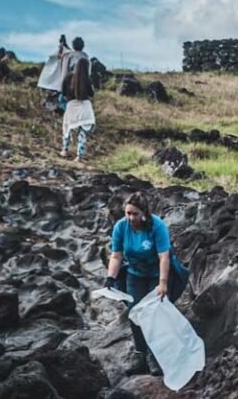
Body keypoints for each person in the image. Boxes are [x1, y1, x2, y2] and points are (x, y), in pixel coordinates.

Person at [105, 193, 171, 376]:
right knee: (135, 312)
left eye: (135, 214)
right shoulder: (121, 227)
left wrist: (162, 284)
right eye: (128, 213)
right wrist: (111, 277)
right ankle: (141, 352)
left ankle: (155, 355)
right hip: (135, 273)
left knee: (154, 312)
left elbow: (164, 256)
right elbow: (116, 255)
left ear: (144, 213)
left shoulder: (157, 226)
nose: (131, 218)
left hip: (156, 273)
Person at [60, 58, 95, 162]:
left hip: (72, 106)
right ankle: (79, 156)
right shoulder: (87, 79)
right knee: (83, 132)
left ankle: (64, 150)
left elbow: (63, 93)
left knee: (67, 129)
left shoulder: (68, 78)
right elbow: (91, 94)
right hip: (85, 107)